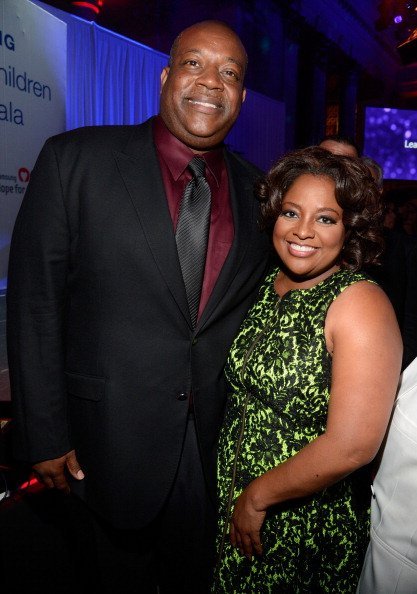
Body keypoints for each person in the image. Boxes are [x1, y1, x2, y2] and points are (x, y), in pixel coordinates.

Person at [5, 20, 270, 593]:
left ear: (243, 97)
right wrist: (43, 433)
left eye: (230, 73)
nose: (211, 83)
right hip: (103, 446)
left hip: (214, 455)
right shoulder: (74, 162)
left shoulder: (261, 194)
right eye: (194, 63)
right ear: (165, 76)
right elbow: (34, 306)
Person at [212, 147, 402, 593]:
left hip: (302, 524)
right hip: (235, 504)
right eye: (291, 212)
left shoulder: (360, 303)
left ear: (349, 227)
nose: (302, 232)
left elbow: (352, 446)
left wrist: (257, 498)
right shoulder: (265, 281)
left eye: (325, 219)